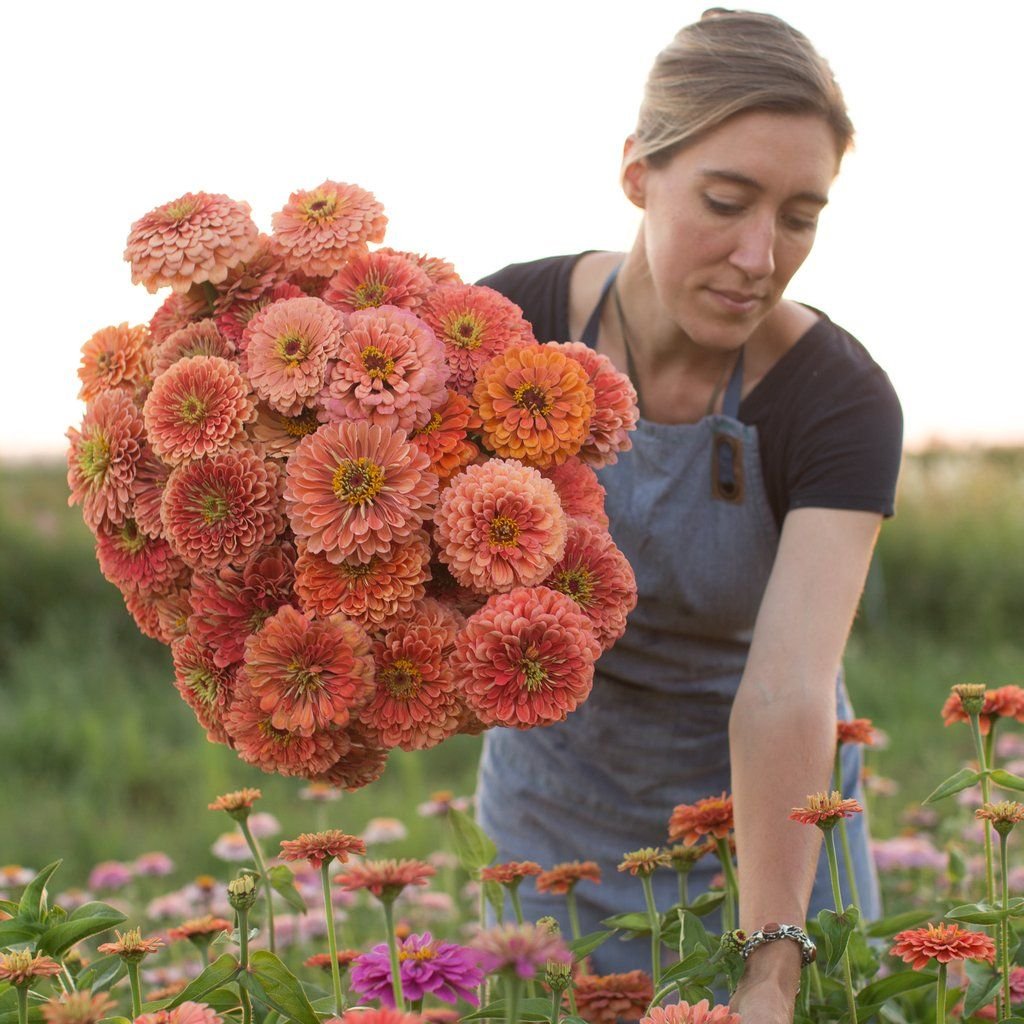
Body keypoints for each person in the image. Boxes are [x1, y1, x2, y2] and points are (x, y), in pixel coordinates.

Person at [474, 9, 902, 1021]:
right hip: (554, 828)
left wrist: (771, 963)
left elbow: (788, 688)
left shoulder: (836, 401)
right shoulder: (509, 333)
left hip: (769, 844)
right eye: (725, 200)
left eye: (799, 215)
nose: (760, 255)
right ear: (636, 173)